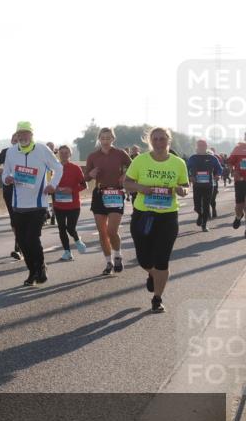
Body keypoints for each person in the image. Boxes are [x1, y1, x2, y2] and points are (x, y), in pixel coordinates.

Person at [124, 127, 189, 313]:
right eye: (156, 139)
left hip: (168, 216)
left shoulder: (178, 163)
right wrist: (140, 187)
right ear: (150, 141)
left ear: (169, 141)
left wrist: (183, 190)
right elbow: (126, 183)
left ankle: (157, 298)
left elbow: (185, 185)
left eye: (162, 139)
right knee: (144, 260)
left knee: (162, 260)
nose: (159, 142)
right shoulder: (140, 160)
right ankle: (152, 274)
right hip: (144, 215)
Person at [1, 121, 63, 286]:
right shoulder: (11, 152)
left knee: (32, 238)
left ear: (31, 134)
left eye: (26, 133)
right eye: (20, 133)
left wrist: (52, 185)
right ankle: (32, 271)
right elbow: (5, 172)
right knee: (22, 241)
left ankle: (40, 267)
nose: (22, 136)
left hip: (38, 203)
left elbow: (58, 167)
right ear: (16, 135)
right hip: (18, 204)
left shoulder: (42, 150)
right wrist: (6, 179)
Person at [84, 128, 132, 276]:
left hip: (116, 193)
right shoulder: (93, 156)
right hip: (99, 193)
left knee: (112, 231)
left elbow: (134, 166)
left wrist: (125, 174)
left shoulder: (120, 153)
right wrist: (90, 175)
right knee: (102, 232)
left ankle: (117, 255)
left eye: (108, 138)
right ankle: (108, 262)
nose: (105, 140)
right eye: (103, 138)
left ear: (113, 139)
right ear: (99, 139)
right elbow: (85, 177)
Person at [53, 145, 88, 261]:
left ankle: (77, 240)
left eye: (66, 152)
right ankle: (67, 252)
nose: (63, 154)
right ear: (58, 154)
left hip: (73, 205)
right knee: (61, 228)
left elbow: (84, 185)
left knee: (70, 228)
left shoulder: (75, 168)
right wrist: (53, 188)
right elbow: (49, 183)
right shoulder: (54, 168)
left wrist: (71, 190)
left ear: (70, 154)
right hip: (59, 204)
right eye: (61, 152)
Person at [0, 132, 22, 260]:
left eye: (19, 140)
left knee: (23, 217)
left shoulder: (28, 153)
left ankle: (21, 246)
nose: (16, 142)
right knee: (14, 218)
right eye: (14, 140)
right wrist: (3, 171)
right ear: (11, 141)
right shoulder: (5, 152)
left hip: (24, 189)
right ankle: (19, 246)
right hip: (9, 189)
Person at [187, 140, 223, 232]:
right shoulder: (193, 158)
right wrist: (190, 176)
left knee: (206, 205)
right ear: (197, 146)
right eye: (200, 145)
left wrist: (218, 175)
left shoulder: (212, 158)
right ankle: (200, 214)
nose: (202, 147)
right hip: (197, 185)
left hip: (209, 185)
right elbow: (186, 169)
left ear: (206, 146)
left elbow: (219, 168)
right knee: (197, 206)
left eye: (203, 145)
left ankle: (204, 225)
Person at [228, 134, 246, 236]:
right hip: (240, 181)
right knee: (239, 206)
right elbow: (230, 162)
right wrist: (233, 171)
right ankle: (239, 216)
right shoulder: (238, 148)